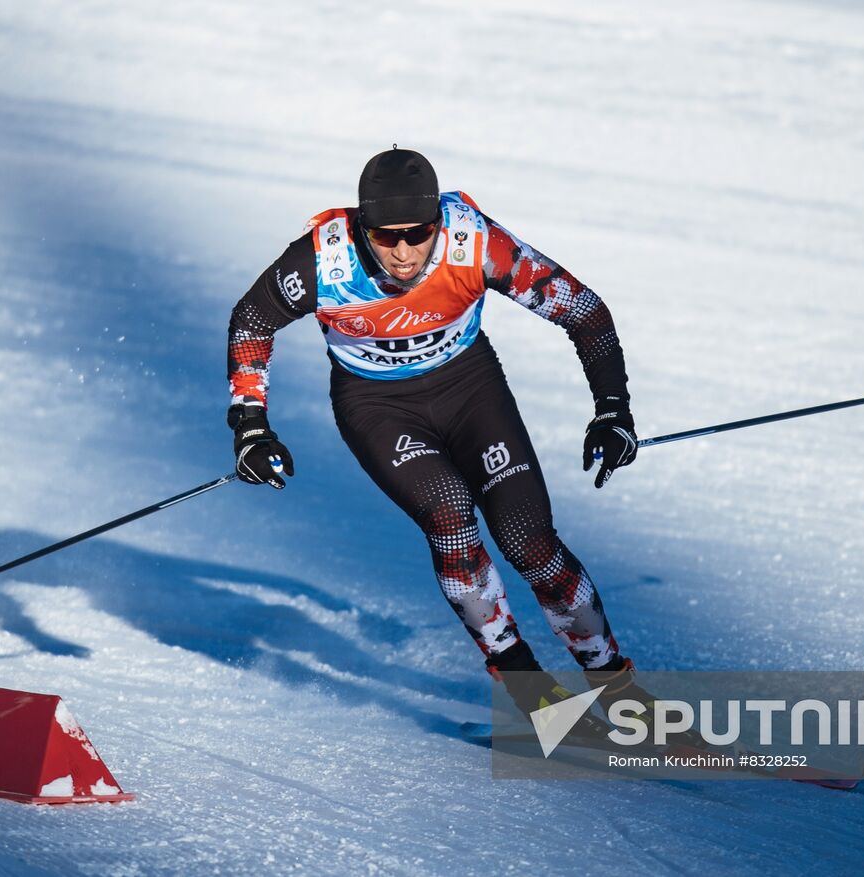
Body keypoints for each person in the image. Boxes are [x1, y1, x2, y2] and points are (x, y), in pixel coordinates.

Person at [225, 147, 654, 720]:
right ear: (361, 225)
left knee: (528, 539)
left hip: (469, 388)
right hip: (377, 406)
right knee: (451, 517)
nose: (402, 252)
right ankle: (531, 693)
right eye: (384, 236)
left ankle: (618, 692)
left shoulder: (474, 243)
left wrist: (612, 410)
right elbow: (253, 320)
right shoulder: (323, 259)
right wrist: (251, 425)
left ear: (437, 222)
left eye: (418, 233)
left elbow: (584, 311)